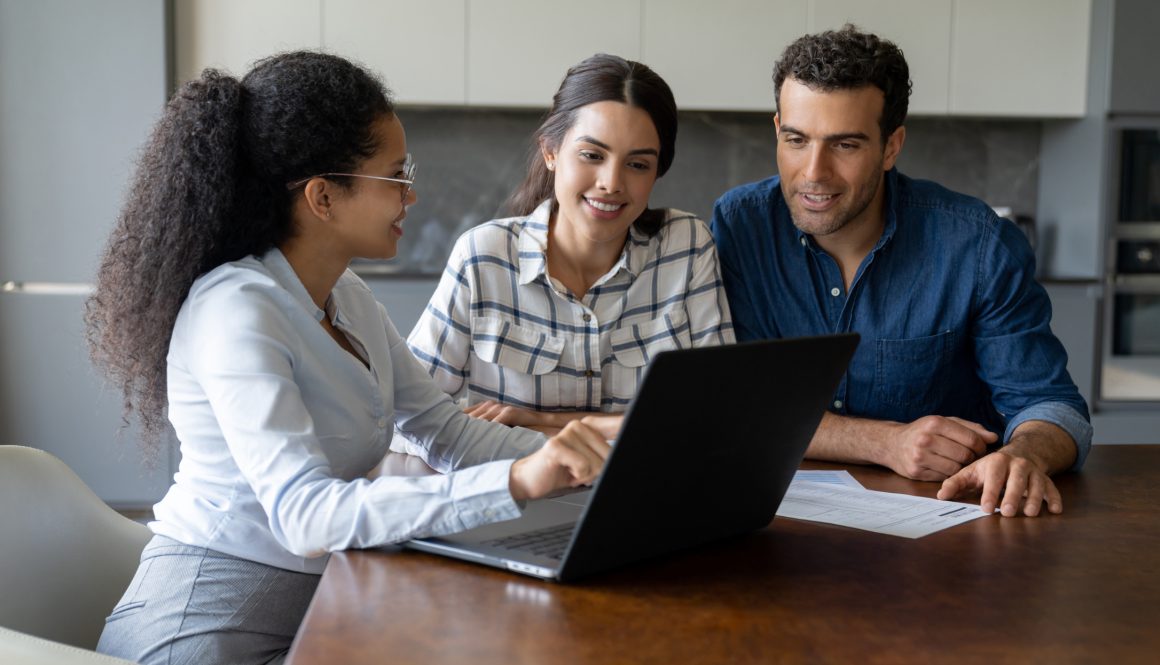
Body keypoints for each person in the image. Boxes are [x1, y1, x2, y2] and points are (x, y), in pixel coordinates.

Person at [84, 51, 617, 665]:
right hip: (204, 628)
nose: (412, 195)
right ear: (323, 197)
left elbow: (447, 435)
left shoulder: (346, 297)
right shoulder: (236, 311)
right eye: (395, 175)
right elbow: (305, 519)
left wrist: (597, 463)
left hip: (316, 610)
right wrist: (520, 479)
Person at [710, 26, 1092, 518]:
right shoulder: (741, 227)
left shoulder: (977, 244)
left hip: (949, 527)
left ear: (892, 147)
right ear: (777, 128)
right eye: (796, 140)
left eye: (845, 145)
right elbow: (740, 406)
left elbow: (1053, 406)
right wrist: (885, 442)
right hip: (778, 527)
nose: (813, 172)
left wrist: (1024, 455)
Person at [401, 53, 734, 439]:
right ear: (551, 152)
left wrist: (546, 422)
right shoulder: (483, 257)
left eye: (638, 165)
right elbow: (408, 416)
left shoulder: (687, 247)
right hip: (515, 493)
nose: (612, 182)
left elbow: (720, 413)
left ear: (657, 171)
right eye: (592, 155)